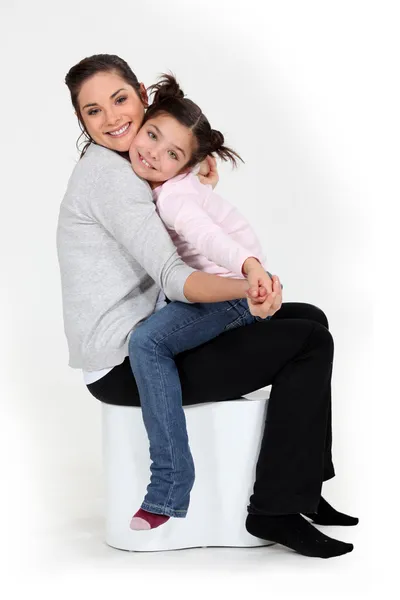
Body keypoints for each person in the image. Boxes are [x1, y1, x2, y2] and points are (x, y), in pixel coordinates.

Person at [58, 53, 357, 559]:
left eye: (119, 99)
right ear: (81, 121)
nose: (112, 118)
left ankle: (304, 489)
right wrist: (252, 284)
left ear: (142, 97)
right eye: (93, 111)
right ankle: (276, 508)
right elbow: (176, 279)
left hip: (150, 338)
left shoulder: (133, 169)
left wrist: (196, 180)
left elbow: (180, 206)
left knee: (309, 318)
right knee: (308, 340)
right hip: (127, 363)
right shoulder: (111, 179)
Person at [127, 73, 279, 531]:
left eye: (171, 153)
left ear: (183, 166)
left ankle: (169, 487)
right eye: (151, 135)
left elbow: (205, 236)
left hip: (231, 294)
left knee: (147, 343)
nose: (152, 152)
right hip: (235, 284)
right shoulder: (179, 179)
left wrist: (249, 267)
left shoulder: (173, 197)